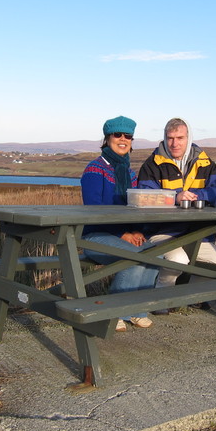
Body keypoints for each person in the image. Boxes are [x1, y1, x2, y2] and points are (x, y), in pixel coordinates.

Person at [137, 117, 216, 299]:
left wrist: (197, 196)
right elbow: (144, 197)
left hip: (198, 234)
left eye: (180, 138)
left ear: (188, 138)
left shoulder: (204, 162)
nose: (174, 143)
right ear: (164, 138)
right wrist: (175, 197)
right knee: (178, 260)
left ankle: (189, 299)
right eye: (170, 138)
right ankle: (160, 300)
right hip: (162, 232)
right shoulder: (152, 164)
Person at [80, 115, 157, 331]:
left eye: (128, 136)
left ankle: (137, 310)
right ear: (107, 138)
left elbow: (136, 207)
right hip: (96, 236)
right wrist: (123, 233)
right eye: (117, 135)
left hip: (123, 234)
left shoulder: (130, 173)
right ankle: (113, 313)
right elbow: (94, 210)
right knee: (135, 256)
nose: (123, 139)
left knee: (157, 253)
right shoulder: (95, 169)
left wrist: (136, 230)